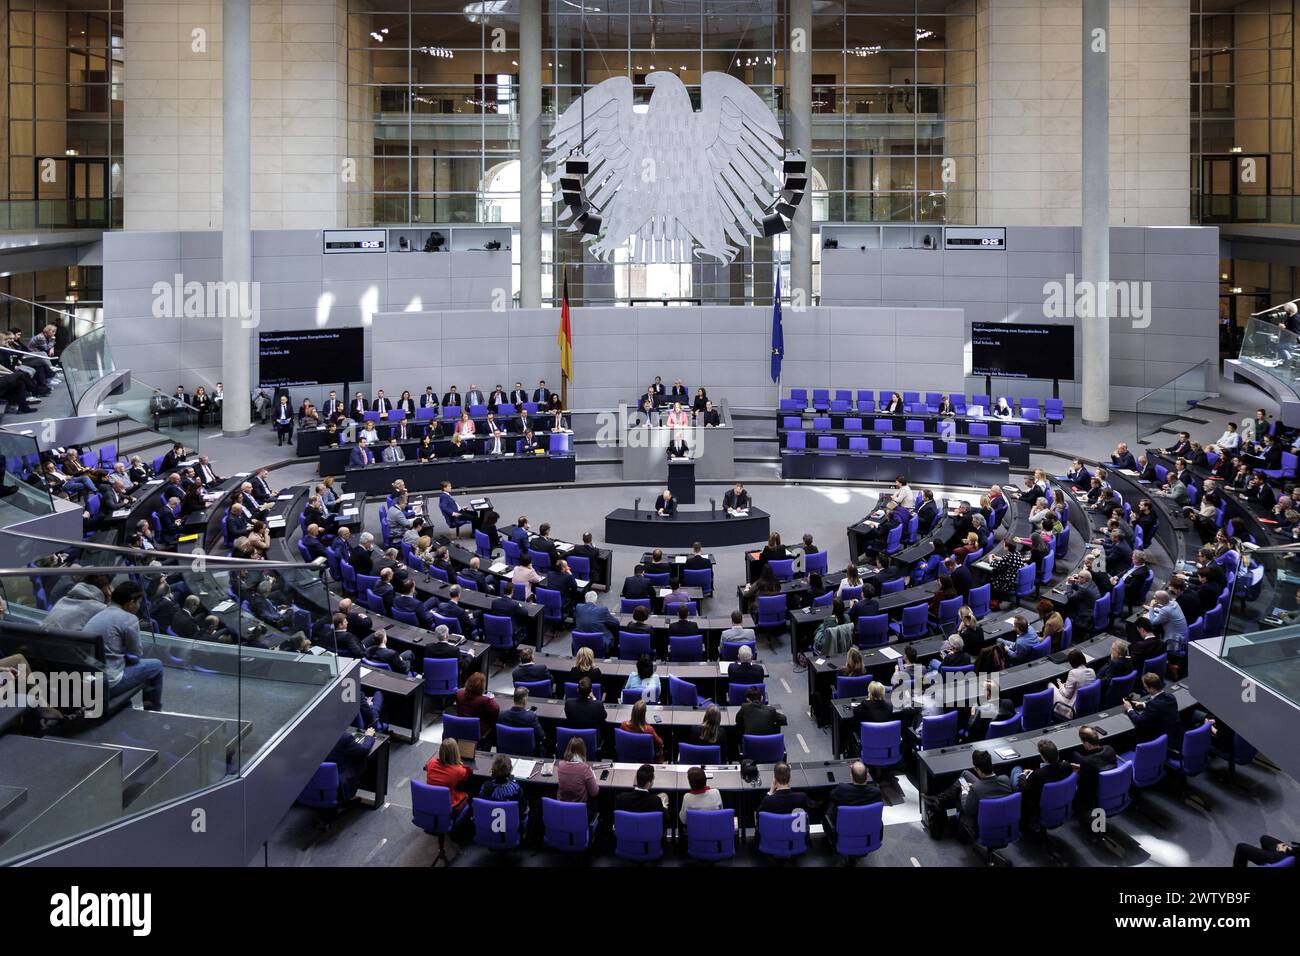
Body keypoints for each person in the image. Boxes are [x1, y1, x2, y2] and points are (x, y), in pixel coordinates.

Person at [84, 582, 164, 711]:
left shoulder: (99, 614)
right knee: (156, 666)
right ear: (130, 603)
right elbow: (137, 653)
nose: (139, 607)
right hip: (108, 684)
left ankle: (125, 705)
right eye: (139, 603)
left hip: (87, 680)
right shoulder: (129, 618)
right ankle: (153, 711)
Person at [1011, 738, 1075, 825]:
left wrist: (1023, 774)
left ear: (1042, 757)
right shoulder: (1067, 766)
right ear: (1058, 754)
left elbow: (1023, 790)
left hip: (1038, 805)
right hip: (1060, 800)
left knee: (1016, 769)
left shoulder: (1037, 775)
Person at [1124, 672, 1182, 746]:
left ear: (1151, 688)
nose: (1144, 689)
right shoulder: (1171, 697)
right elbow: (1160, 706)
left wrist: (1129, 709)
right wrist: (1144, 704)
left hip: (1162, 740)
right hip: (1176, 734)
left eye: (1145, 687)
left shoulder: (1154, 705)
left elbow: (1139, 720)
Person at [1070, 725, 1118, 814]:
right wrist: (1082, 768)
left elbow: (1082, 785)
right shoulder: (1109, 749)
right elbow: (1098, 765)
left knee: (1073, 755)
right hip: (1111, 787)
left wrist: (1076, 772)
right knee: (1075, 754)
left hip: (1092, 795)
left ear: (1087, 744)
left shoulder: (1087, 761)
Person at [826, 761, 883, 826]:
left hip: (845, 829)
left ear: (851, 777)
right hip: (868, 830)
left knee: (831, 805)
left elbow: (831, 795)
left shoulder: (842, 789)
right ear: (867, 776)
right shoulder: (876, 792)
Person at [424, 737, 471, 811]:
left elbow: (427, 768)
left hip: (430, 801)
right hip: (448, 805)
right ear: (456, 753)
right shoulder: (459, 770)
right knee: (467, 795)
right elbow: (466, 777)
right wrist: (459, 764)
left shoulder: (431, 762)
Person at [556, 736, 599, 814]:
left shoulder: (560, 765)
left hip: (562, 809)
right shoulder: (585, 768)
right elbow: (594, 792)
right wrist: (593, 778)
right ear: (583, 751)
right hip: (580, 811)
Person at [1051, 648, 1097, 719]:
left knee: (1050, 685)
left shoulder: (1073, 673)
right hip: (1087, 707)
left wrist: (1061, 686)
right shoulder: (1092, 671)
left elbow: (1067, 695)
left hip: (1071, 709)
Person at [1232, 835, 1299, 868]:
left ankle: (1272, 862)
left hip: (1289, 861)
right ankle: (1269, 860)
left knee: (1241, 848)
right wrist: (1290, 849)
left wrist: (1281, 852)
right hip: (1293, 855)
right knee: (1265, 839)